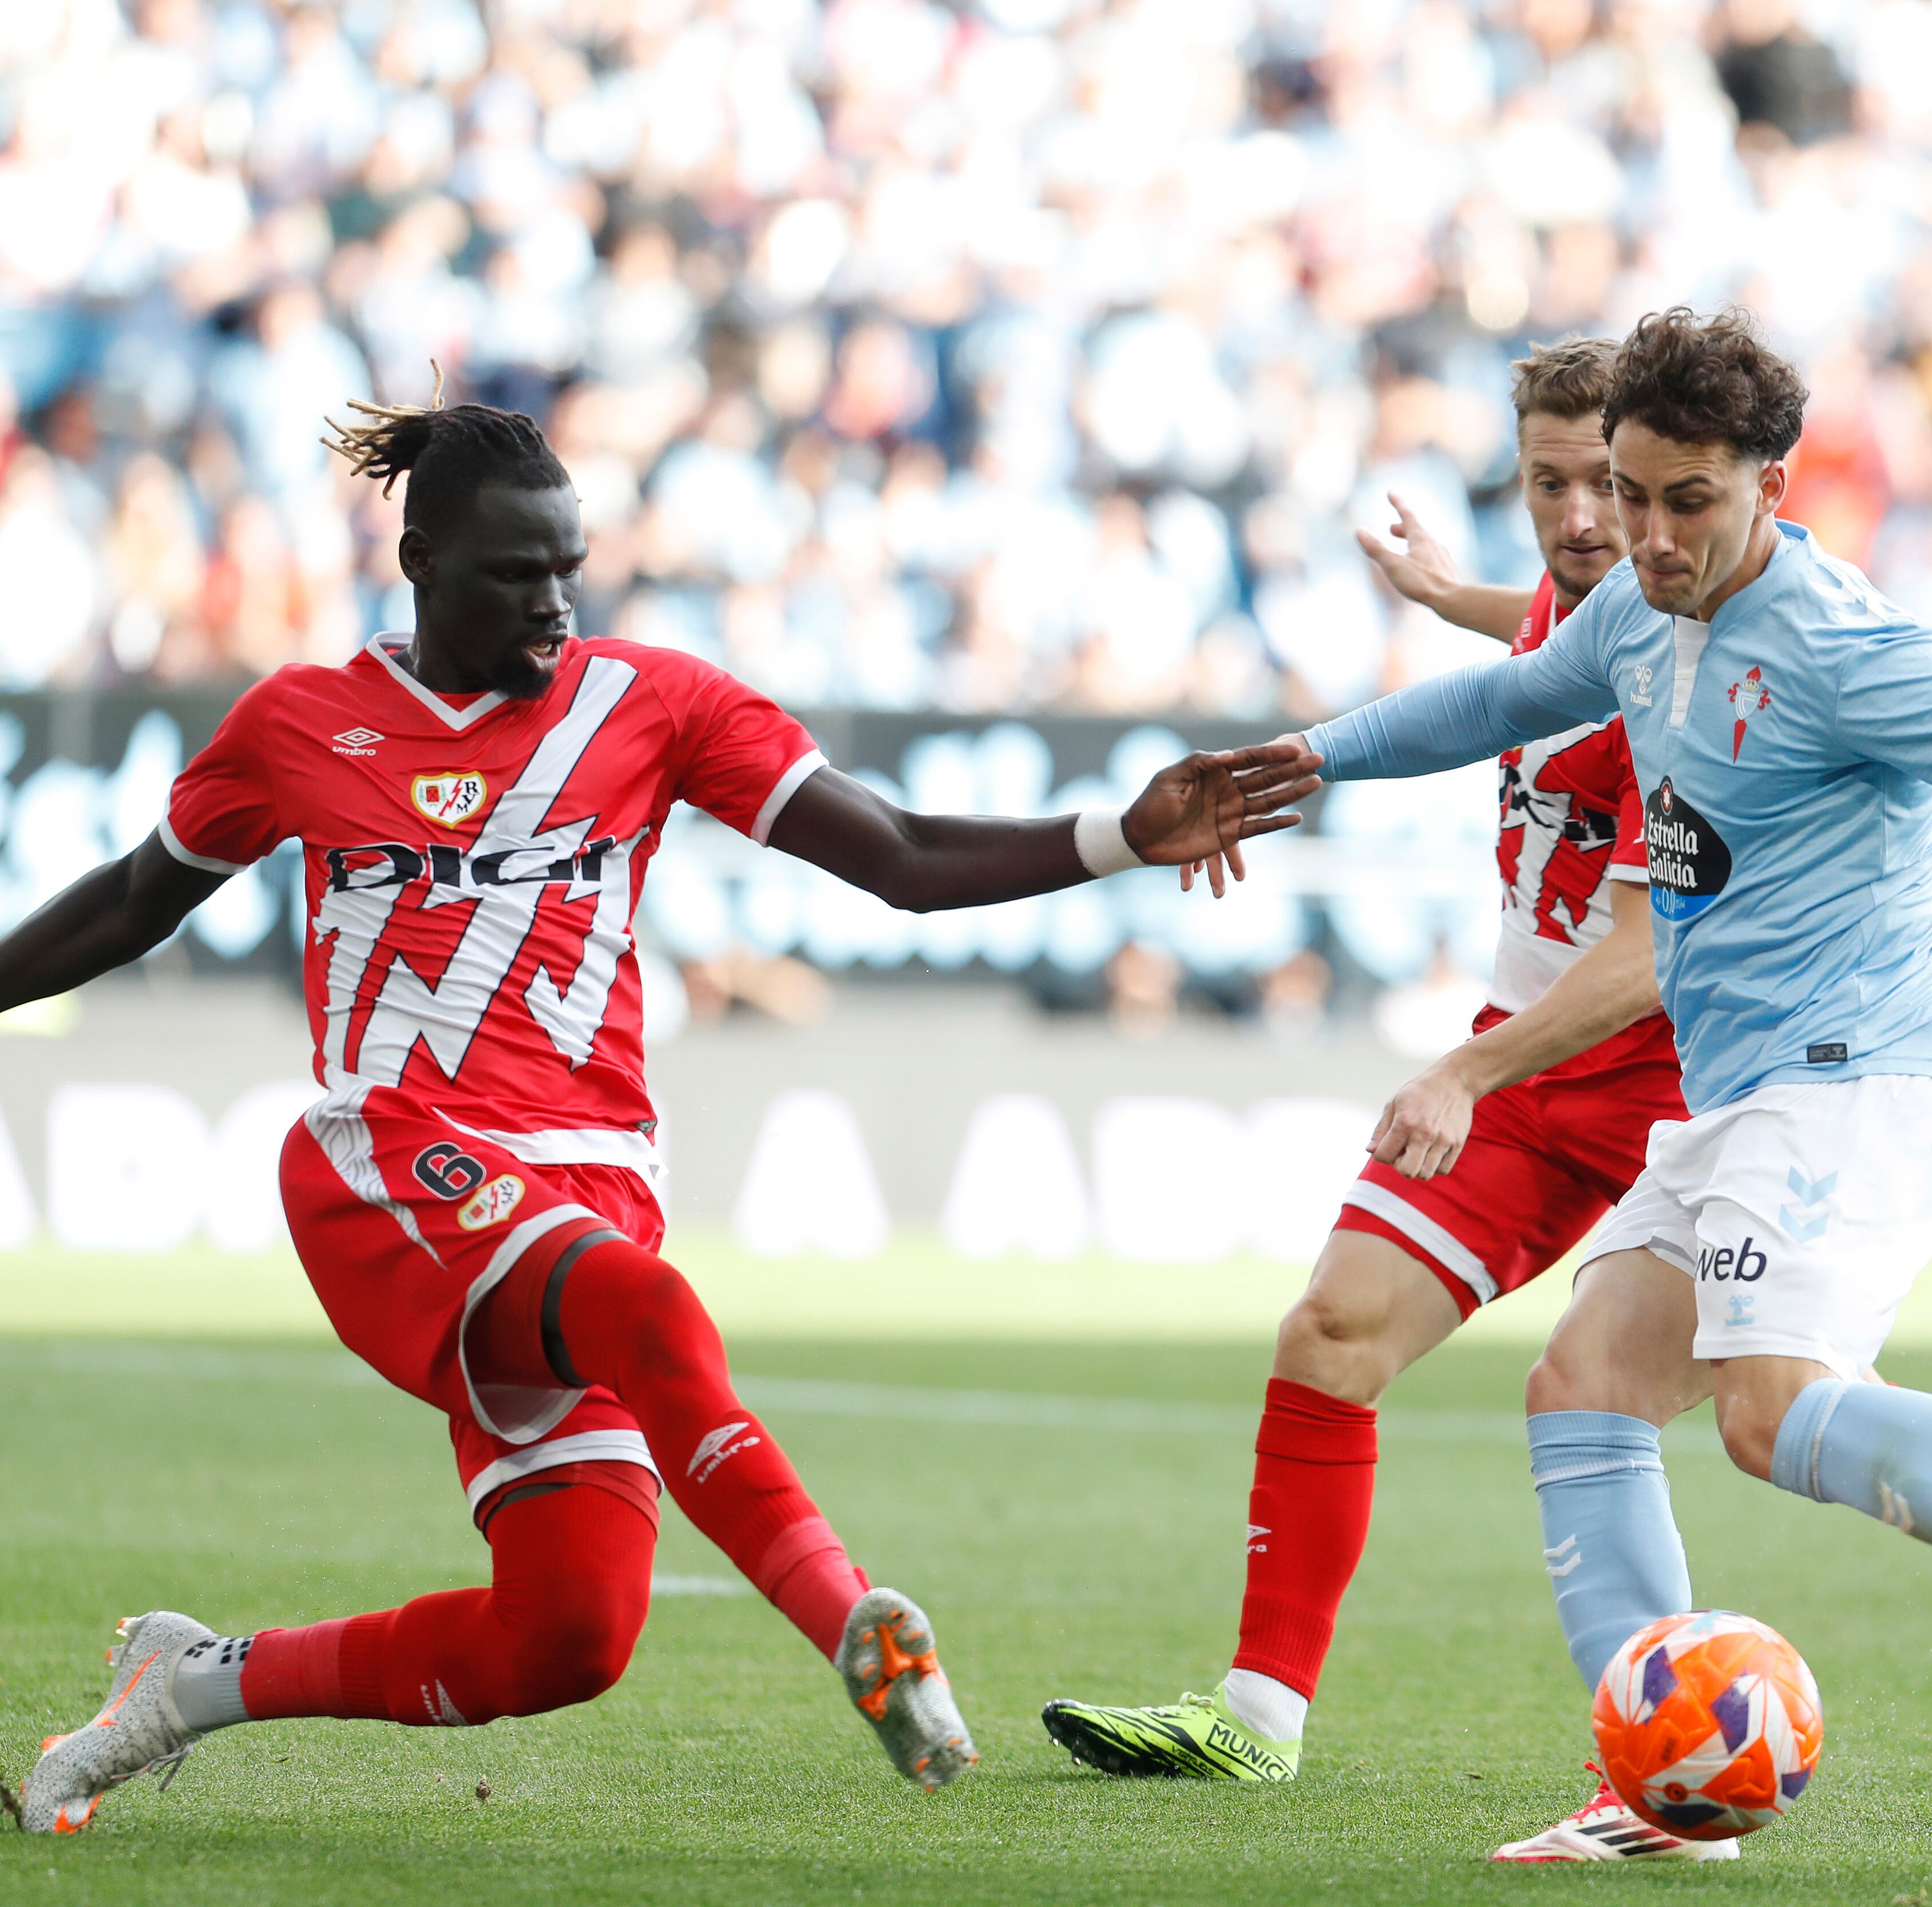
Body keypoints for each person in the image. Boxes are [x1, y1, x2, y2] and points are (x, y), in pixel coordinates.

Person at [0, 392, 1315, 1837]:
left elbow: (903, 856)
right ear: (421, 559)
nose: (553, 603)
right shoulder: (298, 726)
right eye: (514, 573)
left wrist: (1119, 837)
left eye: (569, 567)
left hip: (584, 1187)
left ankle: (185, 1685)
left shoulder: (656, 703)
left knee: (566, 1634)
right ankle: (853, 1625)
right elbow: (135, 898)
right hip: (388, 1164)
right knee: (652, 1313)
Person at [1249, 309, 1932, 1859]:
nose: (1645, 534)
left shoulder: (1850, 648)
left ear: (1773, 485)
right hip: (1739, 1097)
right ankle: (1659, 1781)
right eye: (1630, 494)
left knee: (1766, 1407)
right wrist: (1299, 762)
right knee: (1581, 1381)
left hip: (1869, 1081)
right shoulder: (1641, 613)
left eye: (1686, 501)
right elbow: (1499, 704)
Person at [1038, 339, 1696, 1806]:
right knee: (1330, 1330)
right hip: (1532, 1071)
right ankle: (1258, 1714)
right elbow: (1523, 627)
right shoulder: (1565, 612)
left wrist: (1465, 1066)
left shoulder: (1690, 675)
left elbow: (1647, 955)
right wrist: (1430, 593)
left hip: (1682, 1092)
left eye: (1607, 482)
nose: (1582, 517)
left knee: (1745, 1419)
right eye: (1548, 482)